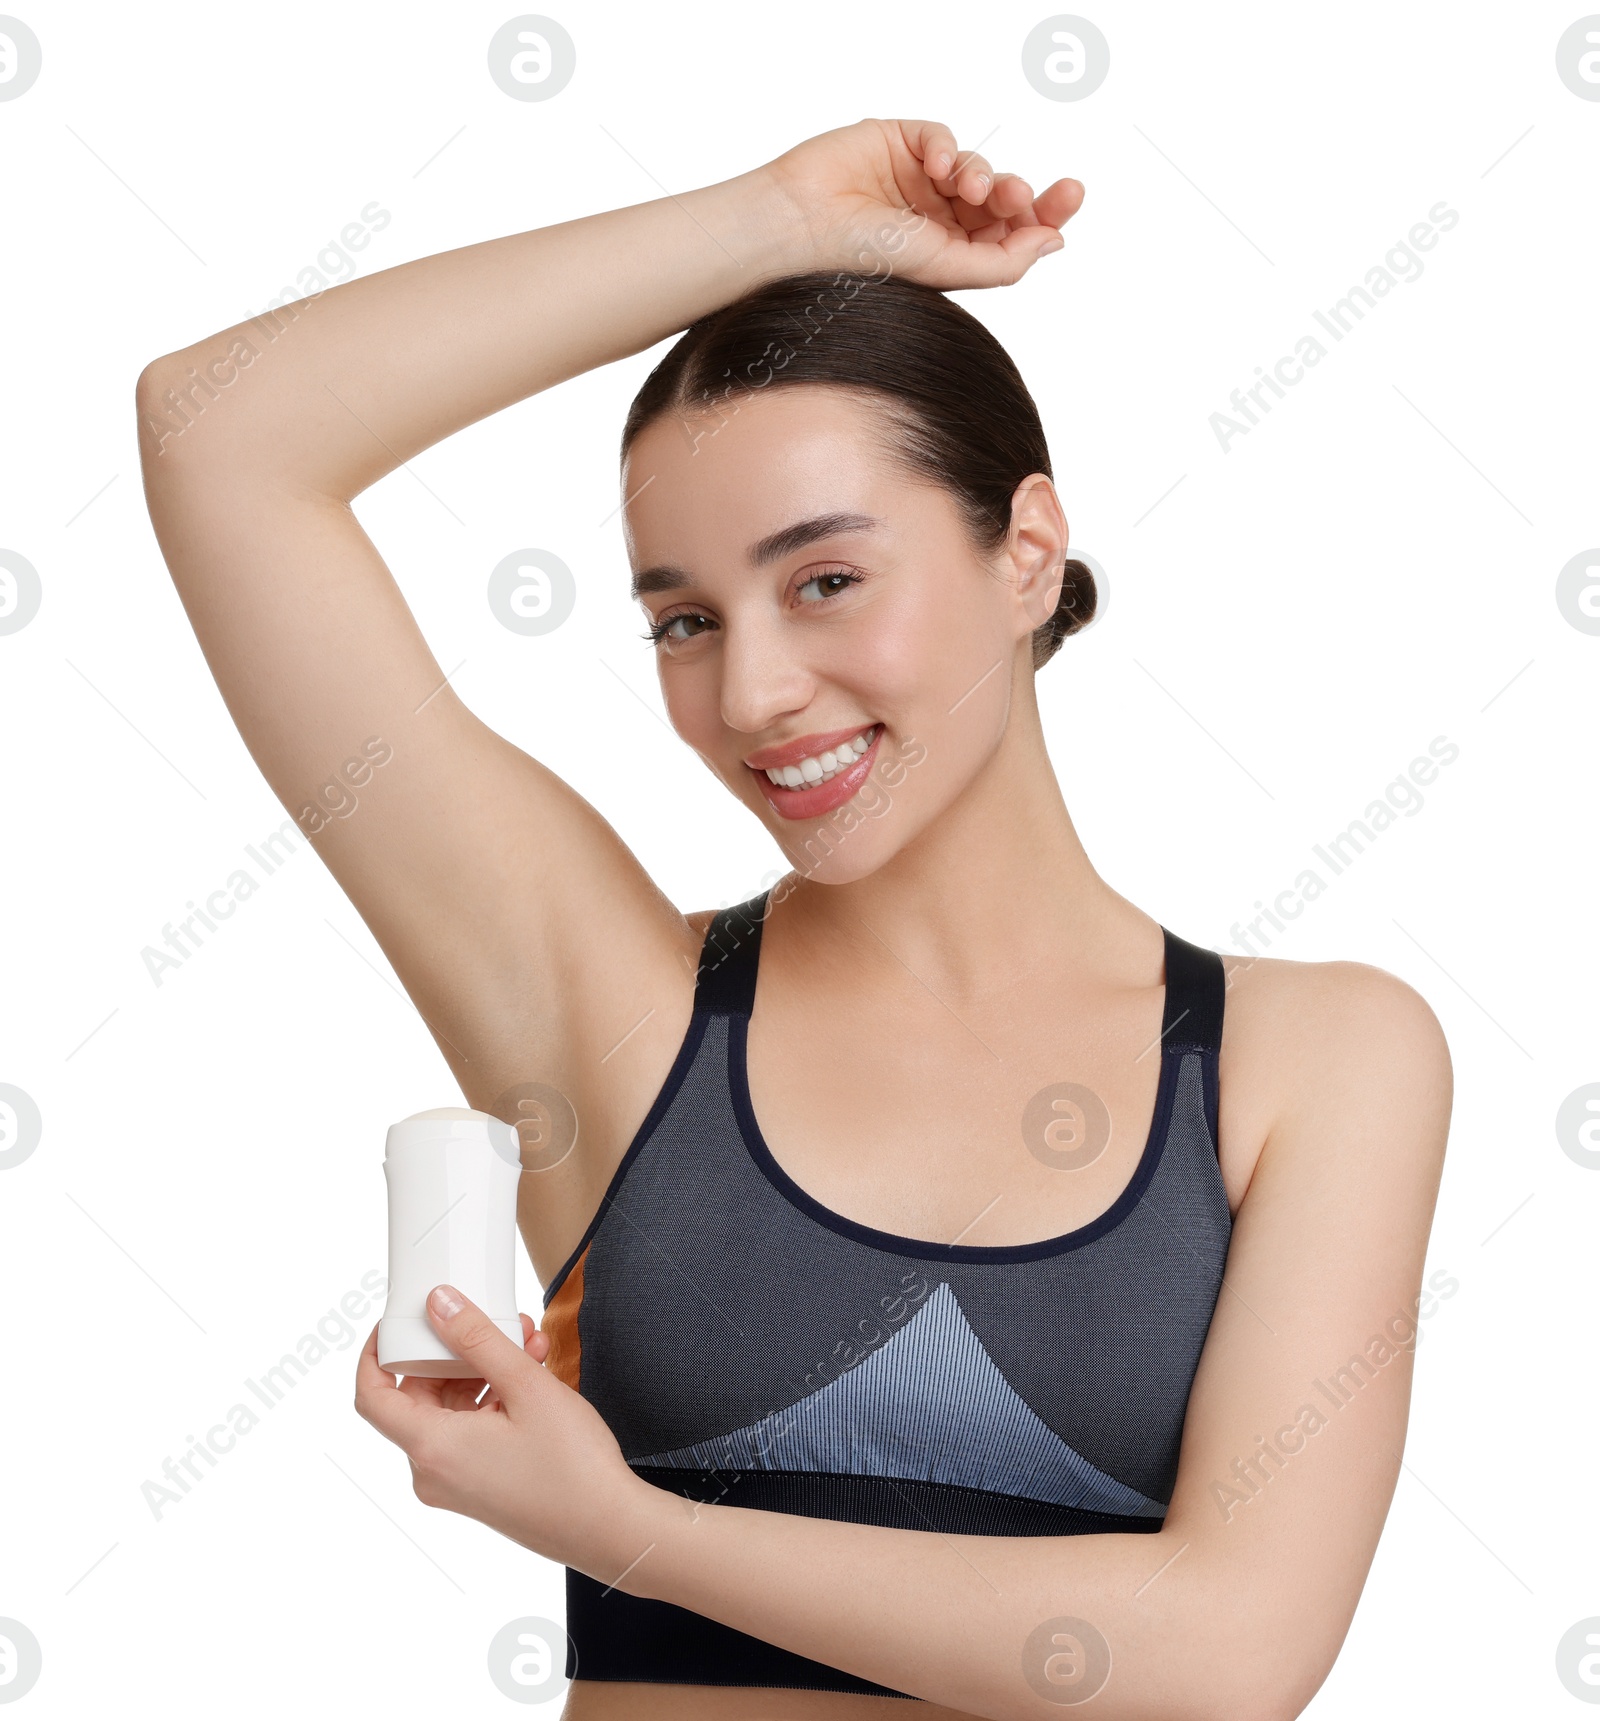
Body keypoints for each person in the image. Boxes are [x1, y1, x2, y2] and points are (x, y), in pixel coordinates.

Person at [137, 117, 1452, 1721]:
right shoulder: (617, 1006)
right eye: (686, 617)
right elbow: (221, 439)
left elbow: (1227, 1653)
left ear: (1027, 550)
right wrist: (763, 221)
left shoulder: (1316, 1059)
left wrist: (626, 1530)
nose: (750, 691)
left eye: (824, 578)